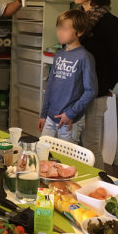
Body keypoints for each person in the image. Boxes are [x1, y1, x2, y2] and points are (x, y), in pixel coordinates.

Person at [73, 0, 118, 168]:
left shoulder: (109, 24)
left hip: (96, 92)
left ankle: (102, 184)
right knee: (72, 142)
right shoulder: (77, 20)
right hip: (75, 91)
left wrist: (106, 85)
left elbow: (115, 60)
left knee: (90, 144)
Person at [38, 10, 97, 143]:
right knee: (42, 153)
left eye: (65, 29)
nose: (60, 32)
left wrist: (70, 113)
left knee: (65, 161)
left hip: (70, 121)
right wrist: (44, 114)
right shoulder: (59, 54)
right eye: (59, 28)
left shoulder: (85, 57)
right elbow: (50, 86)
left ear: (80, 32)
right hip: (50, 118)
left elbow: (91, 91)